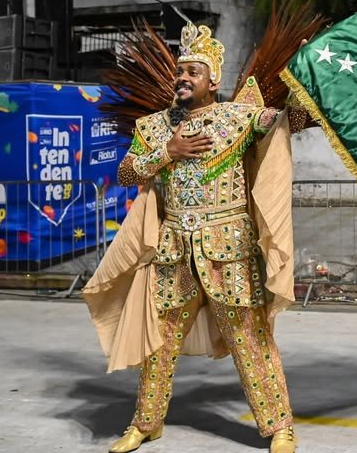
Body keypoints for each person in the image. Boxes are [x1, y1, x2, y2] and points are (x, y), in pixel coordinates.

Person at [84, 22, 304, 453]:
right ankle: (146, 423)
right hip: (172, 252)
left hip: (231, 250)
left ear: (213, 80)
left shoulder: (239, 117)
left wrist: (302, 78)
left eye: (193, 72)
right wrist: (168, 152)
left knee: (250, 337)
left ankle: (280, 427)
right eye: (180, 71)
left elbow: (289, 123)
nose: (183, 78)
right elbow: (126, 173)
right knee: (159, 340)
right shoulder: (154, 127)